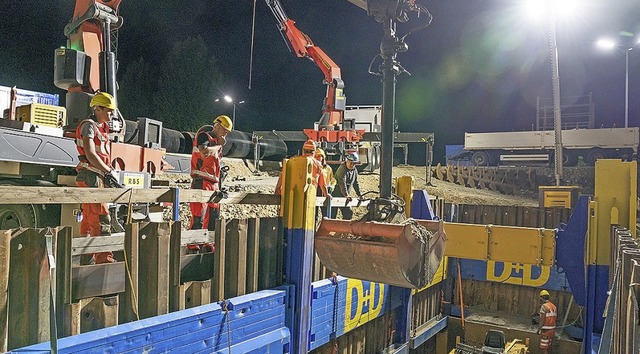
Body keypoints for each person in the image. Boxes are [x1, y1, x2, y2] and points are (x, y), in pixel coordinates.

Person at [75, 91, 120, 264]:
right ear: (97, 108)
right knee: (101, 218)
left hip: (92, 176)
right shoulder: (89, 126)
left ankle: (86, 259)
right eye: (108, 111)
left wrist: (107, 171)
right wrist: (108, 171)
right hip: (91, 176)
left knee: (88, 219)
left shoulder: (100, 128)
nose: (111, 114)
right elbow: (91, 153)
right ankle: (104, 260)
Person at [189, 115, 233, 230]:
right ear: (217, 126)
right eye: (225, 131)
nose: (225, 135)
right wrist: (219, 145)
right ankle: (194, 245)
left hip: (213, 185)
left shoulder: (216, 143)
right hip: (200, 183)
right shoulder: (203, 136)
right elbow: (204, 152)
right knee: (199, 218)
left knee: (213, 219)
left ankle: (208, 245)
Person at [332, 152, 362, 220]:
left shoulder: (354, 171)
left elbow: (355, 183)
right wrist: (346, 195)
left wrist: (359, 194)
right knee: (332, 216)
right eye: (350, 162)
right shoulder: (342, 169)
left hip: (345, 197)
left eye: (354, 163)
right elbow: (342, 183)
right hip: (336, 195)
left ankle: (343, 230)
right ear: (347, 160)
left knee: (348, 214)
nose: (352, 165)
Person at [315, 148, 335, 217]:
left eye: (319, 156)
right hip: (315, 190)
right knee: (314, 213)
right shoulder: (313, 167)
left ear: (323, 157)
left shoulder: (328, 168)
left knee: (325, 213)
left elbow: (332, 179)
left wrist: (331, 187)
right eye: (316, 156)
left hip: (325, 191)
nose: (317, 157)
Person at [537, 289, 557, 354]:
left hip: (546, 330)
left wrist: (539, 329)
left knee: (544, 348)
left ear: (542, 298)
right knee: (549, 346)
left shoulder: (544, 306)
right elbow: (555, 318)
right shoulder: (553, 306)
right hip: (552, 329)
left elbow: (542, 319)